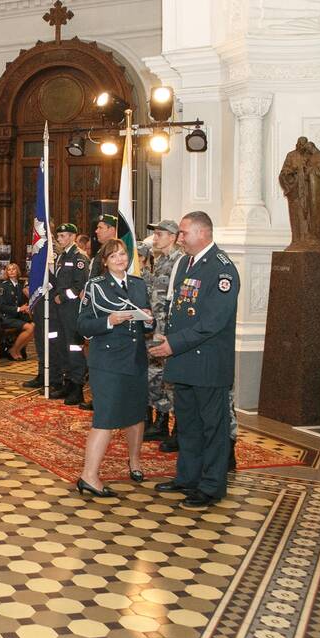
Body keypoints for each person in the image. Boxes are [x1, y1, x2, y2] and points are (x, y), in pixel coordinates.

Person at [149, 211, 240, 510]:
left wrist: (173, 344)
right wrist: (169, 341)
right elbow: (180, 308)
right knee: (187, 425)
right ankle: (188, 477)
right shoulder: (187, 263)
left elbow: (212, 322)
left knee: (212, 427)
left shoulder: (221, 269)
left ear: (203, 233)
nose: (180, 238)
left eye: (184, 233)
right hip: (184, 359)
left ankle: (212, 486)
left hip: (207, 363)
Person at [75, 239, 153, 498]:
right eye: (114, 255)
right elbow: (83, 326)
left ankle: (134, 461)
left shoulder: (139, 285)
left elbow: (146, 324)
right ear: (105, 261)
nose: (120, 259)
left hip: (135, 359)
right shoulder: (95, 287)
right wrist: (108, 321)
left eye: (123, 254)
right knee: (106, 418)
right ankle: (89, 475)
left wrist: (149, 320)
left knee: (135, 414)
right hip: (107, 362)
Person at [142, 220, 182, 443]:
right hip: (153, 328)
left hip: (168, 332)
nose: (155, 237)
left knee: (170, 381)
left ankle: (176, 427)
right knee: (155, 377)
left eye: (160, 233)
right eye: (155, 234)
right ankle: (160, 420)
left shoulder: (180, 262)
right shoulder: (160, 261)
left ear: (173, 237)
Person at [52, 223, 89, 405]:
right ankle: (67, 382)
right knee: (62, 345)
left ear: (73, 237)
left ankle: (77, 386)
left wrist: (63, 297)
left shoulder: (79, 257)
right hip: (60, 309)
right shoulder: (62, 256)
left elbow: (79, 286)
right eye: (59, 236)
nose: (60, 239)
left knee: (74, 347)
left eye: (64, 236)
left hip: (72, 308)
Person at [0, 262, 34, 361]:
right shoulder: (3, 286)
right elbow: (1, 306)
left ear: (17, 271)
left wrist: (25, 308)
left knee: (35, 326)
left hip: (16, 316)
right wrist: (18, 309)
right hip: (6, 317)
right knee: (29, 328)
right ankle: (13, 350)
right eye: (9, 269)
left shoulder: (19, 285)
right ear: (6, 272)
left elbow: (20, 302)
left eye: (13, 269)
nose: (11, 271)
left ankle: (18, 349)